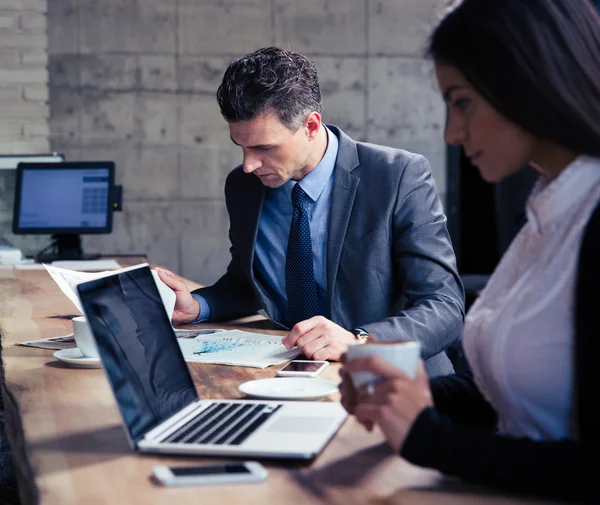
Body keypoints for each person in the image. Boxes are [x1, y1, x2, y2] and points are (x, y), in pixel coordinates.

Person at [339, 0, 600, 501]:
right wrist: (404, 397)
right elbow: (520, 391)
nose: (451, 133)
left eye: (461, 103)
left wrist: (428, 438)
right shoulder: (547, 210)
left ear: (528, 79)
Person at [158, 46, 464, 376]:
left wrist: (358, 342)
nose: (248, 164)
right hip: (292, 374)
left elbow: (444, 307)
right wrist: (199, 305)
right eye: (242, 147)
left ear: (311, 126)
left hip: (392, 379)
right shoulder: (244, 186)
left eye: (263, 147)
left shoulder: (398, 176)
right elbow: (251, 282)